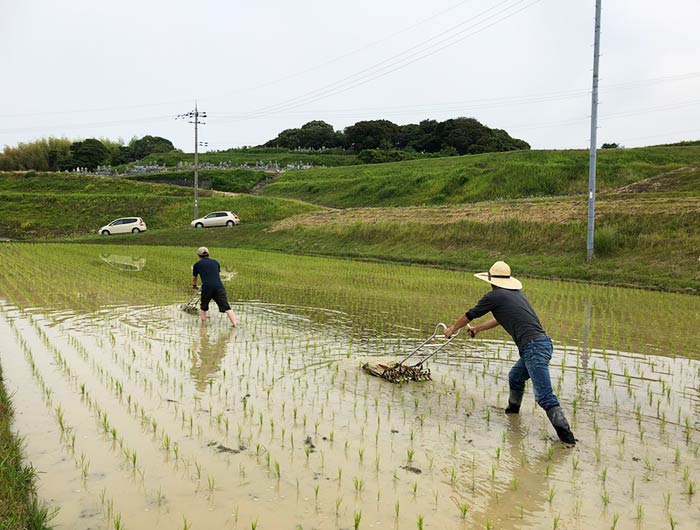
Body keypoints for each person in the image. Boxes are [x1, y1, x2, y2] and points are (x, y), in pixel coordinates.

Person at [444, 260, 576, 445]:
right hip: (542, 344)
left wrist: (451, 329)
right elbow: (499, 319)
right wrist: (478, 329)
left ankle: (568, 439)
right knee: (515, 377)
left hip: (533, 348)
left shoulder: (494, 296)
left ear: (491, 281)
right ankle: (512, 414)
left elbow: (470, 314)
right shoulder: (515, 295)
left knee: (544, 396)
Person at [192, 247, 238, 327]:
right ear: (208, 254)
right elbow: (215, 274)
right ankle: (235, 324)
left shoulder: (197, 265)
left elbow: (194, 278)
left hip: (207, 287)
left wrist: (194, 286)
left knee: (203, 307)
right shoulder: (215, 262)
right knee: (227, 307)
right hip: (219, 287)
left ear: (198, 255)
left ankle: (203, 326)